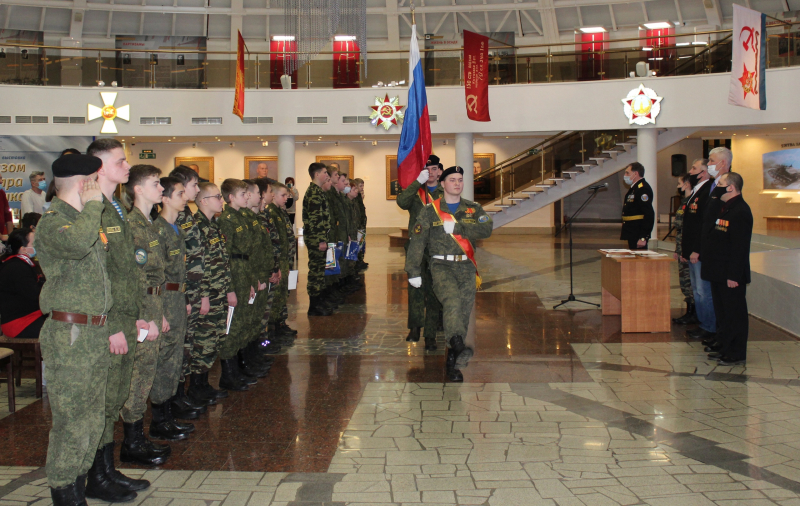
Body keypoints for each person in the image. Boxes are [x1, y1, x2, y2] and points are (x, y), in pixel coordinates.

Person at [36, 154, 118, 505]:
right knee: (71, 420)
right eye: (94, 178)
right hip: (70, 336)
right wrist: (94, 206)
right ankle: (64, 492)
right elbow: (76, 245)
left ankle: (80, 482)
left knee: (92, 416)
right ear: (84, 183)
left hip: (94, 332)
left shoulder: (84, 218)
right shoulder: (54, 222)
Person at [88, 138, 155, 493]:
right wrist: (116, 323)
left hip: (126, 316)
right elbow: (100, 276)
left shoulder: (114, 205)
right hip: (108, 322)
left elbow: (128, 271)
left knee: (114, 398)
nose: (127, 166)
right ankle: (96, 477)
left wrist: (138, 315)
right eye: (120, 161)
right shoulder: (92, 208)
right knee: (103, 401)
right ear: (100, 167)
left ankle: (107, 470)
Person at [405, 166, 494, 382]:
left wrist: (458, 227)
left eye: (460, 180)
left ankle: (453, 360)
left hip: (466, 268)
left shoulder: (473, 209)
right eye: (452, 180)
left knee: (462, 314)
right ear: (443, 184)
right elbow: (417, 242)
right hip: (441, 267)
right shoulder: (430, 210)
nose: (457, 183)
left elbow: (486, 229)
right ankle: (457, 345)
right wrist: (413, 270)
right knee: (452, 302)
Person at [154, 176, 202, 421]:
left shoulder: (176, 230)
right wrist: (158, 311)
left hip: (178, 296)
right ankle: (161, 418)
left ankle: (171, 407)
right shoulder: (158, 229)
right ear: (165, 198)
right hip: (164, 298)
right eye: (180, 194)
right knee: (165, 358)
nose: (185, 199)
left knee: (175, 357)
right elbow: (154, 276)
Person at [186, 183, 235, 403]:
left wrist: (227, 289)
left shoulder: (212, 226)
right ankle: (196, 387)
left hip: (218, 292)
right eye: (217, 197)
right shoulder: (198, 226)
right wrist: (203, 296)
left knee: (213, 340)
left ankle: (204, 384)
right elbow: (199, 266)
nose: (221, 200)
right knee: (203, 342)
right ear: (204, 201)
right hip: (207, 295)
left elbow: (222, 263)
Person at [167, 166, 210, 417]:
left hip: (193, 291)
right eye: (194, 185)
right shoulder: (176, 217)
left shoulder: (186, 214)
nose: (196, 190)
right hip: (183, 293)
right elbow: (177, 264)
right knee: (180, 348)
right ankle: (175, 399)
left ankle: (181, 395)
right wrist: (186, 296)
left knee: (188, 346)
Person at [702, 173, 752, 366]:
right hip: (719, 271)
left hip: (731, 274)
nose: (717, 187)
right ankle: (724, 345)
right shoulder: (726, 208)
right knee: (722, 312)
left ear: (730, 187)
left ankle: (736, 352)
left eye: (721, 184)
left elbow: (740, 247)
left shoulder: (740, 211)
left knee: (735, 314)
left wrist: (733, 275)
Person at [397, 155, 444, 350]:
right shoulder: (415, 191)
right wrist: (418, 181)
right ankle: (415, 327)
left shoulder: (445, 191)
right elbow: (401, 202)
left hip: (436, 247)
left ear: (440, 172)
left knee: (434, 291)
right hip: (416, 247)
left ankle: (431, 334)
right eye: (427, 169)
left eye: (434, 169)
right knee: (415, 289)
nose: (430, 172)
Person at [216, 179, 259, 391]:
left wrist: (250, 281)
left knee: (241, 322)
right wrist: (229, 287)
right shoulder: (227, 220)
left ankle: (239, 367)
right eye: (243, 194)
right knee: (231, 327)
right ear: (231, 197)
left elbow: (247, 253)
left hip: (243, 271)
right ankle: (228, 373)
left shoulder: (240, 217)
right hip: (234, 272)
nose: (247, 197)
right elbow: (225, 256)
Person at [682, 159, 715, 340]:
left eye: (694, 168)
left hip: (699, 252)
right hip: (692, 250)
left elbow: (703, 225)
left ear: (703, 173)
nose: (690, 171)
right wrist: (685, 251)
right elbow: (689, 225)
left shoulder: (707, 191)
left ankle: (709, 326)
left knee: (703, 291)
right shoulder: (697, 191)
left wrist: (696, 250)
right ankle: (703, 323)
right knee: (697, 290)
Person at [0, 228, 45, 339]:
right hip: (19, 323)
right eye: (34, 243)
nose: (38, 245)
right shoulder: (16, 267)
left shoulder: (18, 264)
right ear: (23, 249)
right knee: (63, 327)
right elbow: (35, 295)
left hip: (27, 317)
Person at [267, 181, 298, 340]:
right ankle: (273, 329)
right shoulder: (271, 213)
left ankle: (281, 323)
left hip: (286, 258)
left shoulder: (280, 211)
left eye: (287, 195)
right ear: (273, 196)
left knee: (283, 294)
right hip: (279, 260)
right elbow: (275, 240)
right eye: (283, 195)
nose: (287, 198)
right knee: (277, 295)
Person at [302, 163, 333, 316]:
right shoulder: (313, 193)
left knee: (319, 270)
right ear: (317, 174)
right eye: (325, 173)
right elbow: (315, 219)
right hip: (316, 239)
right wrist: (321, 240)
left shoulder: (318, 192)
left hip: (319, 238)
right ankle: (313, 306)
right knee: (315, 271)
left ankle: (319, 300)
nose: (327, 176)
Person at [672, 174, 697, 325]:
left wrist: (686, 251)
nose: (678, 186)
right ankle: (689, 311)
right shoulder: (684, 202)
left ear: (687, 184)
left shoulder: (693, 202)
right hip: (682, 246)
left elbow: (691, 229)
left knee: (690, 281)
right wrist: (677, 249)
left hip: (688, 248)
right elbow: (680, 229)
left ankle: (694, 313)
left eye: (679, 183)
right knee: (684, 281)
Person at [620, 162, 654, 250]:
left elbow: (649, 213)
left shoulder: (642, 188)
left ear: (636, 173)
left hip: (638, 232)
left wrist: (643, 237)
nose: (625, 175)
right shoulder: (634, 188)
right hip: (632, 231)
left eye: (627, 173)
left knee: (639, 261)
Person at [354, 178, 368, 271]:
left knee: (361, 242)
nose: (362, 188)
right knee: (358, 243)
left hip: (362, 223)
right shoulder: (355, 197)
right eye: (360, 186)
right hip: (358, 224)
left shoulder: (359, 196)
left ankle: (361, 259)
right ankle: (358, 261)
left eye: (363, 186)